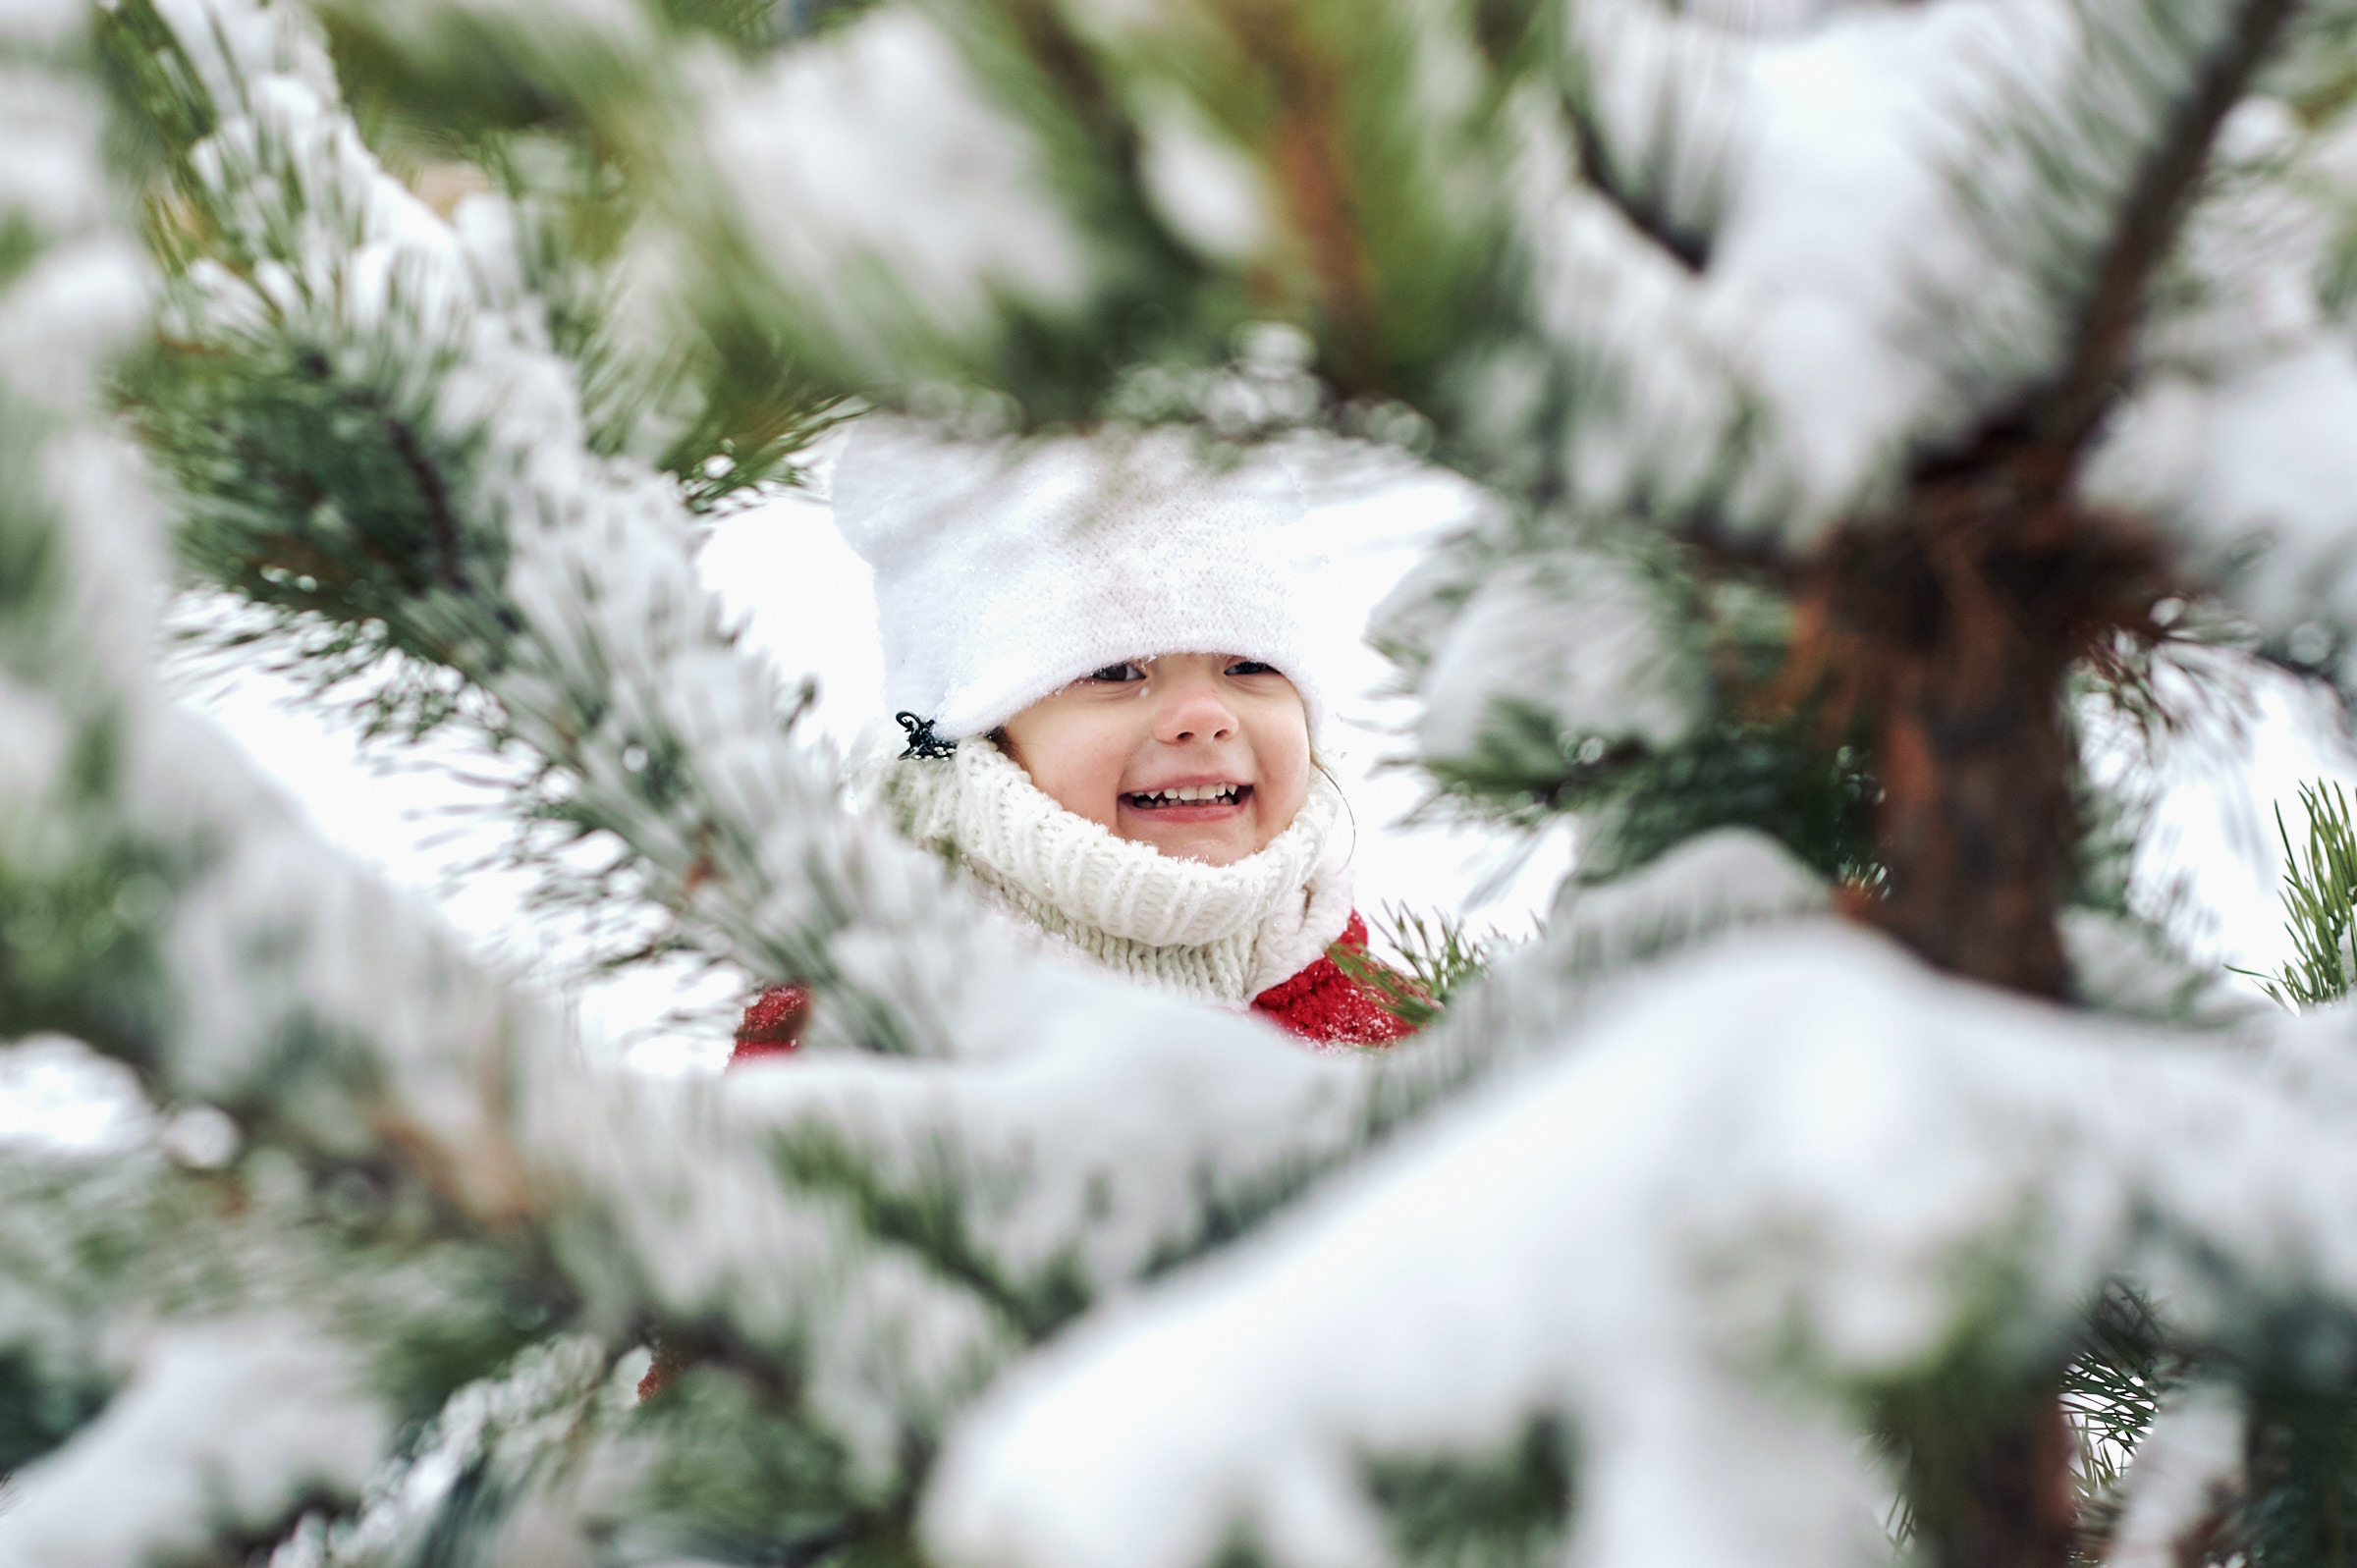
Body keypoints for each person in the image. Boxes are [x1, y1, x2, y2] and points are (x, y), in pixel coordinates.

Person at [731, 420, 1415, 1061]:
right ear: (982, 733)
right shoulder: (861, 1029)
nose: (1205, 715)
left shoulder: (1394, 1033)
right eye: (1116, 671)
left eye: (1250, 665)